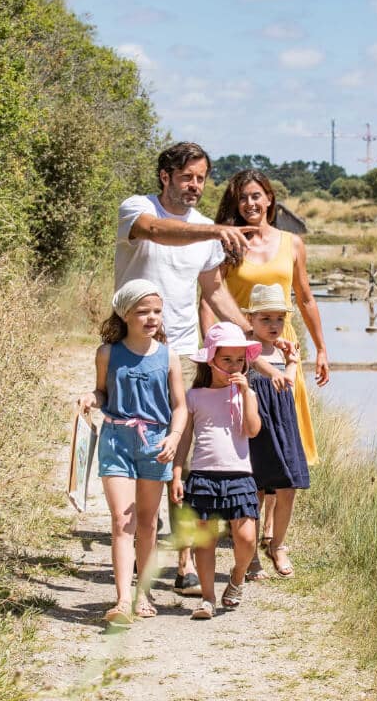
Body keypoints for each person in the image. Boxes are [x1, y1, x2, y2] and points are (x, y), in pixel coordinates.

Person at [115, 142, 258, 596]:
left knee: (182, 454)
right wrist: (215, 231)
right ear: (165, 176)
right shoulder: (138, 209)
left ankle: (181, 563)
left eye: (201, 178)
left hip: (181, 350)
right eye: (187, 177)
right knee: (141, 448)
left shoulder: (205, 233)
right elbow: (157, 231)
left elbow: (213, 291)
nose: (195, 185)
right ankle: (141, 549)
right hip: (135, 351)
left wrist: (253, 333)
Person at [206, 168, 330, 549]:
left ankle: (275, 536)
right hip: (239, 347)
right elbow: (211, 295)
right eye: (243, 198)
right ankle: (244, 518)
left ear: (270, 199)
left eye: (257, 196)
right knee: (249, 430)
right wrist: (212, 350)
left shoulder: (291, 243)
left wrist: (321, 347)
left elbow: (305, 298)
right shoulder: (229, 243)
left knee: (283, 429)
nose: (250, 204)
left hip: (283, 345)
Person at [77, 279, 187, 624]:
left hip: (155, 444)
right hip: (116, 439)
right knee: (121, 521)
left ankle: (143, 593)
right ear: (125, 314)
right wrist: (90, 400)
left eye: (156, 310)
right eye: (142, 311)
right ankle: (123, 600)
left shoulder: (169, 356)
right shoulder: (108, 353)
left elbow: (180, 407)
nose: (151, 317)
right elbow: (101, 392)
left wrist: (174, 437)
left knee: (148, 523)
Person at [171, 323, 262, 620]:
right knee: (204, 540)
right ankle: (207, 598)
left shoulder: (245, 394)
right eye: (227, 360)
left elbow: (252, 430)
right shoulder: (195, 396)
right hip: (203, 474)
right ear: (210, 360)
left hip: (239, 474)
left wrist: (247, 394)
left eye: (240, 360)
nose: (234, 366)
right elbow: (184, 439)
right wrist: (177, 473)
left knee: (247, 537)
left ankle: (236, 577)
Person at [241, 284, 309, 580]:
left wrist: (292, 363)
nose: (273, 325)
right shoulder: (246, 350)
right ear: (251, 321)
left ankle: (277, 544)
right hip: (257, 424)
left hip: (284, 423)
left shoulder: (283, 350)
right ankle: (251, 553)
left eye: (279, 319)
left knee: (287, 486)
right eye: (265, 319)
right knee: (253, 489)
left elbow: (288, 389)